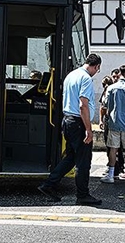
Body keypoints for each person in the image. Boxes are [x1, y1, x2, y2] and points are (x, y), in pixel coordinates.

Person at [37, 54, 103, 205]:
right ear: (96, 66)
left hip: (67, 120)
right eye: (97, 70)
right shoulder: (86, 79)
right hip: (79, 122)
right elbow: (83, 105)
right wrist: (89, 129)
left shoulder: (71, 75)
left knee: (71, 158)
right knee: (83, 161)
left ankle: (48, 185)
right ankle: (82, 195)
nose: (96, 72)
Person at [100, 65, 125, 184]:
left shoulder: (111, 88)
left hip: (114, 123)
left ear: (120, 73)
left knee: (113, 149)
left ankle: (111, 175)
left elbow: (105, 104)